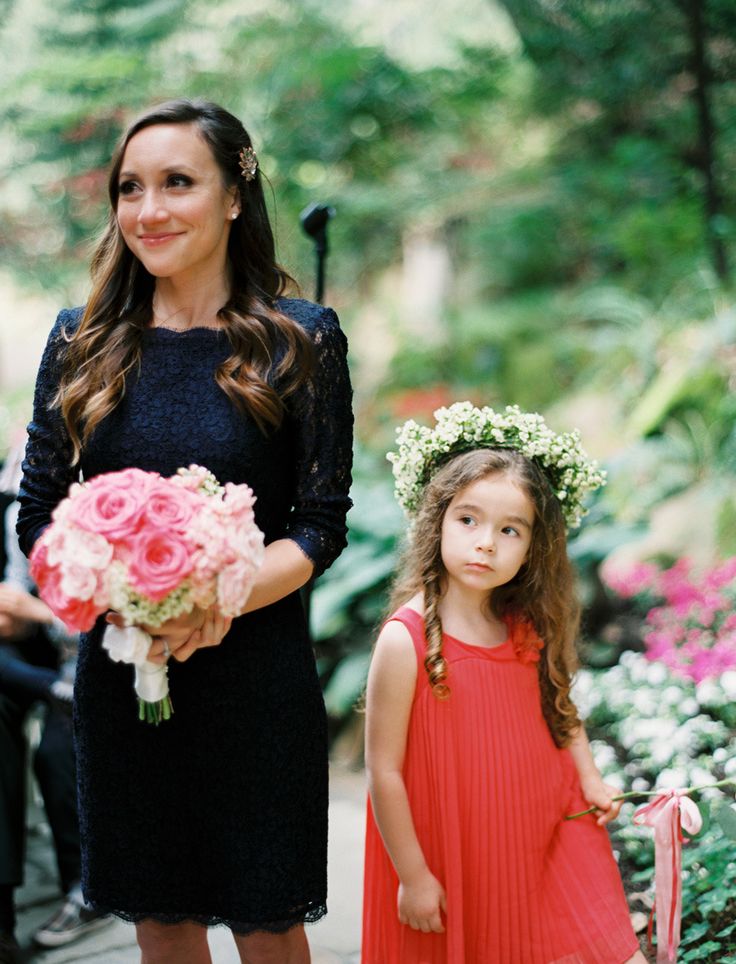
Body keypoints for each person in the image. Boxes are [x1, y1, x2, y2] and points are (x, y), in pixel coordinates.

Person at [17, 99, 353, 964]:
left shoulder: (300, 339)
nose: (148, 209)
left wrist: (216, 596)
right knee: (160, 919)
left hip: (256, 678)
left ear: (235, 195)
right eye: (130, 188)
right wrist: (118, 600)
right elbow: (40, 513)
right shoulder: (81, 340)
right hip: (123, 678)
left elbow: (318, 524)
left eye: (177, 183)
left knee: (267, 920)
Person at [362, 404, 647, 963]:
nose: (486, 542)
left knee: (610, 948)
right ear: (436, 521)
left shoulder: (525, 628)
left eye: (509, 529)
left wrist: (590, 779)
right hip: (459, 850)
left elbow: (560, 708)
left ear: (531, 547)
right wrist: (414, 876)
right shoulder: (407, 640)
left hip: (548, 833)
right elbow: (383, 770)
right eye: (468, 520)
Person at [0, 448, 111, 962]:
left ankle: (92, 888)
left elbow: (120, 611)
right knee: (52, 748)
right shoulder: (18, 516)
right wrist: (14, 614)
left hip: (119, 655)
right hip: (63, 666)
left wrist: (39, 613)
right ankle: (81, 887)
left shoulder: (110, 518)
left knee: (59, 752)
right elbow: (21, 597)